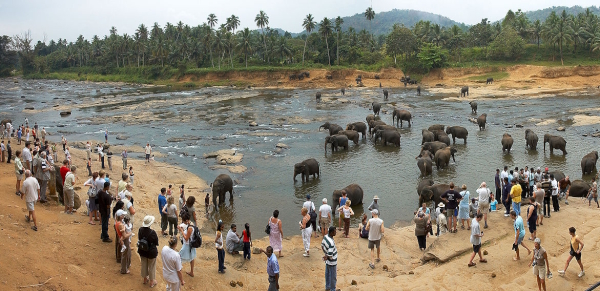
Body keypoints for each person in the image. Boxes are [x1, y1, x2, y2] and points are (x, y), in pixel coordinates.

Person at [139, 215, 159, 287]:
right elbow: (156, 242)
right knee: (152, 266)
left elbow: (140, 239)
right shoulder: (152, 232)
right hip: (151, 252)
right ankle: (151, 282)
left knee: (144, 264)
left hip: (142, 250)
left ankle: (145, 279)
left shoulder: (140, 230)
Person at [178, 212, 196, 277]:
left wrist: (181, 231)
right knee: (192, 258)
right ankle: (192, 272)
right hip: (191, 245)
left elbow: (186, 238)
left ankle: (178, 271)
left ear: (186, 220)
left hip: (187, 245)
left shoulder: (190, 228)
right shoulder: (192, 224)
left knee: (179, 257)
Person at [321, 226, 338, 291]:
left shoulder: (325, 237)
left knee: (327, 274)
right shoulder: (331, 243)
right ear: (331, 233)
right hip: (332, 262)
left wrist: (325, 253)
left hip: (327, 261)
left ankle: (327, 287)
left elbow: (322, 245)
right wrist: (327, 256)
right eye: (334, 231)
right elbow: (330, 255)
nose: (335, 232)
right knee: (333, 276)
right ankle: (332, 289)